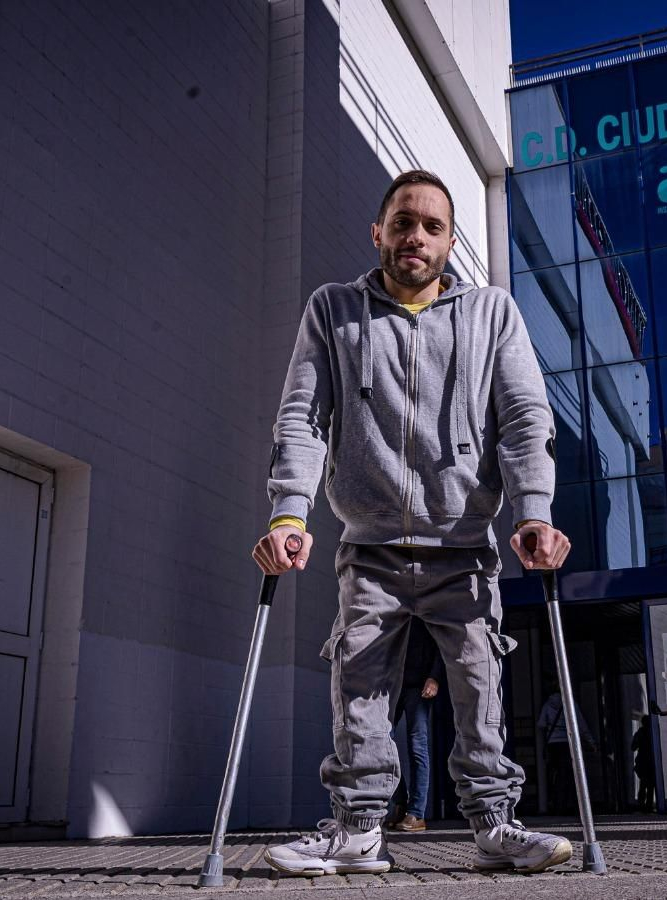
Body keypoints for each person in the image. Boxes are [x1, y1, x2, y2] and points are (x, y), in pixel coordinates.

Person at [251, 170, 573, 877]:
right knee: (359, 686)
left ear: (451, 240)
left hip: (464, 545)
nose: (415, 237)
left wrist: (534, 513)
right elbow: (303, 418)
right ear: (378, 232)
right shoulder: (333, 311)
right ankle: (359, 832)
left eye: (431, 226)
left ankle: (495, 824)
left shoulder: (491, 314)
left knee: (480, 686)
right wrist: (289, 513)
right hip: (370, 546)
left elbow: (523, 419)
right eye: (402, 222)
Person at [387, 621, 444, 832]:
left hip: (419, 685)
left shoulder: (426, 607)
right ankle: (400, 803)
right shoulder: (394, 610)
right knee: (382, 742)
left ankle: (416, 813)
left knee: (416, 745)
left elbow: (441, 643)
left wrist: (435, 677)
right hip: (393, 684)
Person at [535, 690, 594, 815]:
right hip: (567, 742)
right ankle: (569, 804)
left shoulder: (547, 704)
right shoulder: (571, 703)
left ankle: (556, 804)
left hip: (552, 744)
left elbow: (541, 724)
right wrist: (590, 741)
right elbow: (582, 725)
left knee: (555, 774)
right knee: (569, 774)